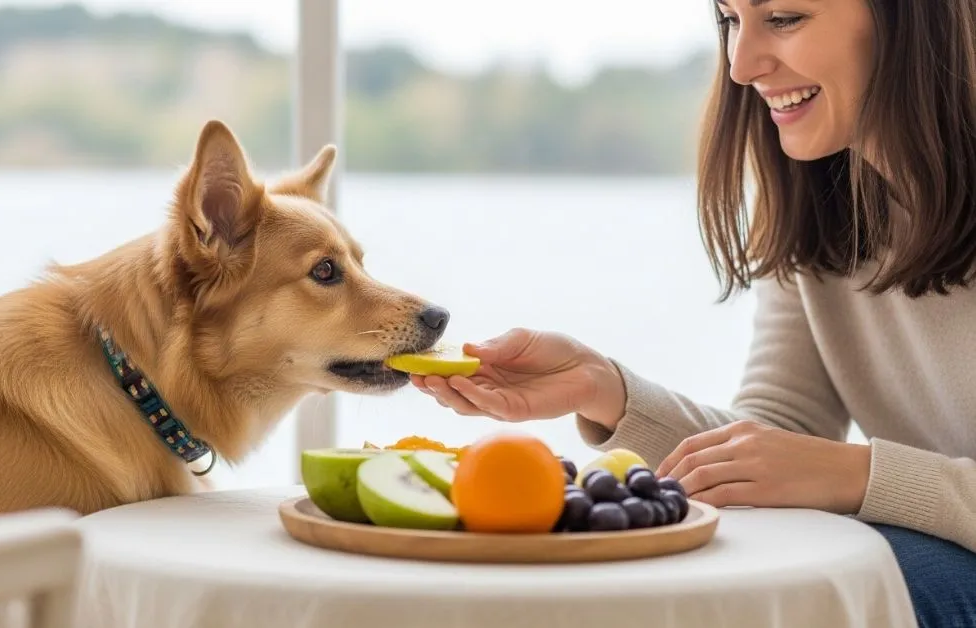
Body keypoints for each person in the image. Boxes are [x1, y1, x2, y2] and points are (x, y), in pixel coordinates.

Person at [411, 0, 976, 625]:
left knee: (848, 586)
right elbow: (778, 435)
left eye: (784, 18)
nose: (741, 66)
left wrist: (862, 475)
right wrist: (606, 390)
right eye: (730, 20)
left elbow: (824, 468)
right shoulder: (816, 197)